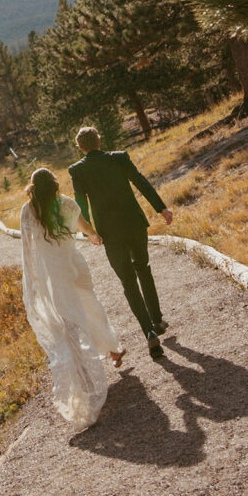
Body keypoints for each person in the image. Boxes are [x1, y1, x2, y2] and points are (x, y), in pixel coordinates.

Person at [21, 167, 124, 429]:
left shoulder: (29, 210)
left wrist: (34, 282)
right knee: (89, 307)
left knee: (68, 324)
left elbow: (27, 249)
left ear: (33, 187)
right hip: (74, 267)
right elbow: (85, 227)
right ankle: (112, 348)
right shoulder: (66, 203)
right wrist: (95, 236)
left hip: (54, 274)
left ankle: (85, 377)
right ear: (54, 184)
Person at [69, 126, 173, 359]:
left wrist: (90, 232)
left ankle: (148, 332)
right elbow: (140, 182)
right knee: (143, 269)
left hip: (110, 233)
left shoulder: (77, 170)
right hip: (134, 224)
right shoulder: (119, 158)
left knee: (128, 281)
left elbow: (80, 204)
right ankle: (157, 320)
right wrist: (161, 208)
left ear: (81, 147)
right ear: (99, 140)